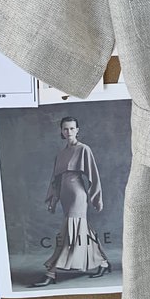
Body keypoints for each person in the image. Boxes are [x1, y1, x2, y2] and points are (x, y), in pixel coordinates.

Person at [31, 114, 111, 285]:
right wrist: (53, 200)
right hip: (65, 197)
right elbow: (56, 179)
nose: (68, 132)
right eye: (65, 129)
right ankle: (103, 263)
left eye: (72, 128)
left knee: (69, 232)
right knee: (82, 230)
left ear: (77, 130)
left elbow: (93, 175)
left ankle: (51, 273)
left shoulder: (83, 149)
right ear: (61, 131)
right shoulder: (60, 154)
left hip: (77, 195)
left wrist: (96, 198)